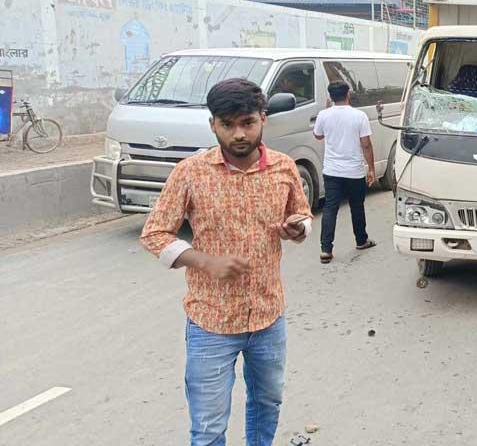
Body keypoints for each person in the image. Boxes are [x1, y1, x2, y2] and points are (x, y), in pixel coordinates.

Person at [140, 78, 313, 446]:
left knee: (267, 402)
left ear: (263, 119)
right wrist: (203, 261)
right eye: (228, 124)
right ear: (213, 124)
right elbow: (155, 234)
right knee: (208, 426)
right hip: (211, 322)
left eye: (247, 123)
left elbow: (302, 213)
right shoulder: (190, 172)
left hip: (268, 315)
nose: (238, 134)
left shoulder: (283, 167)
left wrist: (298, 229)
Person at [314, 81, 377, 263]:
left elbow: (318, 136)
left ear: (330, 97)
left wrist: (326, 111)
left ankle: (326, 249)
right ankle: (361, 240)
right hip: (354, 171)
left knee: (330, 208)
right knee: (357, 206)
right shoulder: (359, 116)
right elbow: (366, 144)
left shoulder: (323, 115)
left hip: (332, 170)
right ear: (348, 94)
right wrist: (371, 168)